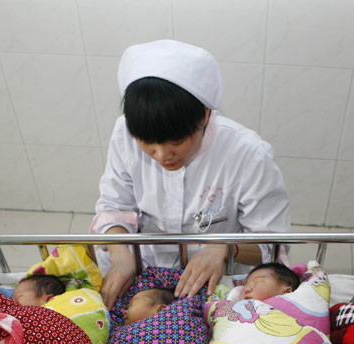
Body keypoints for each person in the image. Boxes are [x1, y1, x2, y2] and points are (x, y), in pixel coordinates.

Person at [91, 39, 291, 308]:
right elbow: (114, 207)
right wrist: (120, 256)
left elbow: (273, 242)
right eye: (147, 142)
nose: (162, 155)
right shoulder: (123, 133)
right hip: (145, 271)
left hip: (215, 281)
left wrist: (223, 247)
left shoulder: (248, 154)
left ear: (205, 115)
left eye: (175, 141)